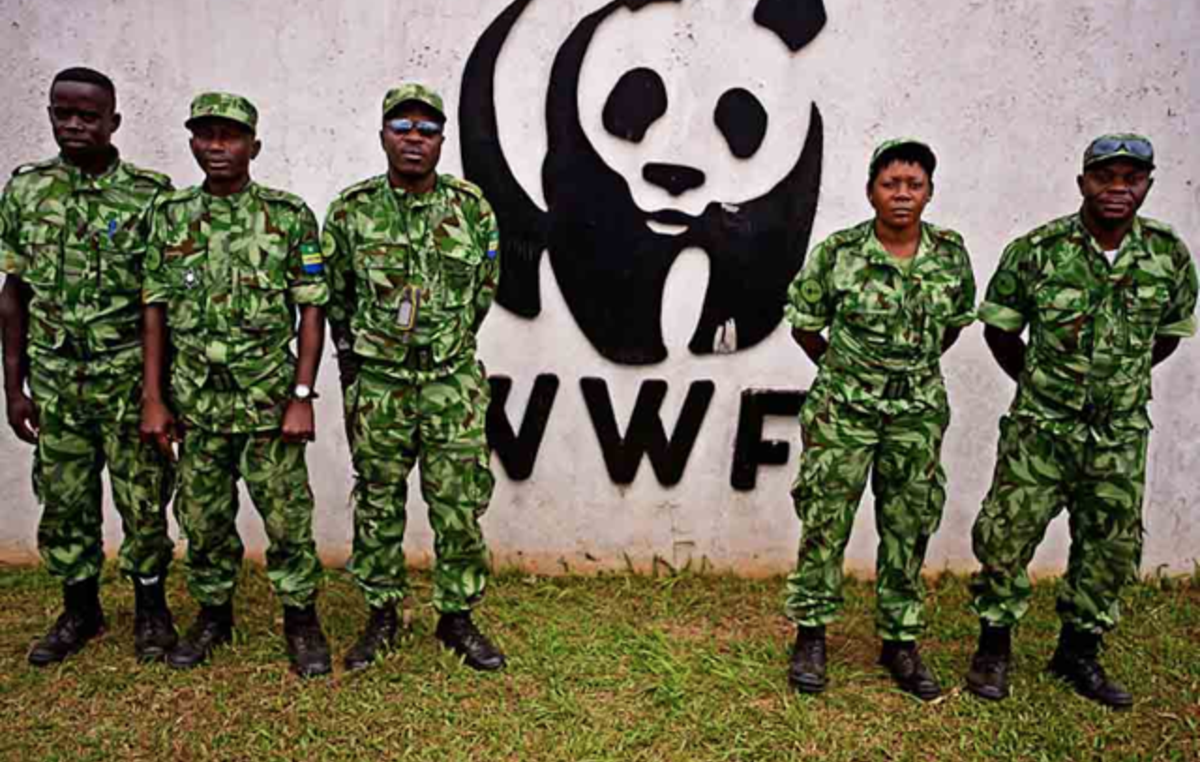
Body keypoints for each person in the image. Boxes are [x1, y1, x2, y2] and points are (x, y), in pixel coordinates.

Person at [966, 134, 1197, 709]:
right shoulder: (1039, 250)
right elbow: (1000, 329)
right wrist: (1045, 386)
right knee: (1006, 536)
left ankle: (1079, 652)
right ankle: (994, 648)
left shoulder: (1167, 255)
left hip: (1118, 435)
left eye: (1131, 178)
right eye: (1105, 177)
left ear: (1147, 184)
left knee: (1109, 545)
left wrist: (1114, 386)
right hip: (1041, 430)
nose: (1118, 189)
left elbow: (1167, 334)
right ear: (1082, 183)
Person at [140, 92, 332, 677]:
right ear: (193, 142)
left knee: (287, 521)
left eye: (230, 135)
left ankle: (301, 620)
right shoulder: (171, 215)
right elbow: (155, 307)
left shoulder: (288, 214)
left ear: (254, 145)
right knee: (202, 520)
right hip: (197, 404)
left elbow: (311, 308)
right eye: (206, 135)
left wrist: (302, 396)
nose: (216, 146)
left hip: (268, 403)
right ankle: (212, 615)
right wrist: (154, 397)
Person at [783, 139, 976, 700]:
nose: (902, 194)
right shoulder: (839, 252)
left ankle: (900, 641)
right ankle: (811, 634)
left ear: (929, 192)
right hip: (844, 410)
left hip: (915, 413)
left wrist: (905, 375)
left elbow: (955, 323)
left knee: (908, 523)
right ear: (871, 191)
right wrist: (849, 375)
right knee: (825, 519)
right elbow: (805, 323)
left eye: (914, 185)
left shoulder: (949, 253)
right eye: (891, 184)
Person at [323, 83, 505, 672]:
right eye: (402, 127)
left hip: (452, 383)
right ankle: (381, 615)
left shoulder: (471, 208)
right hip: (379, 387)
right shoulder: (352, 212)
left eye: (426, 130)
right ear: (382, 135)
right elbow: (337, 299)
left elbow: (484, 291)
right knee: (377, 501)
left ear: (441, 140)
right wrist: (358, 369)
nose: (414, 139)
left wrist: (443, 352)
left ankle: (457, 617)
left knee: (458, 503)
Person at [0, 67, 177, 665]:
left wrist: (159, 393)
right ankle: (79, 608)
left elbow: (160, 302)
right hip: (54, 380)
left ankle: (152, 609)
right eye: (62, 113)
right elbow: (13, 293)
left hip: (127, 375)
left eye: (87, 116)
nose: (73, 125)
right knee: (65, 499)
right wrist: (14, 387)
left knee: (144, 498)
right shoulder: (26, 191)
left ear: (113, 122)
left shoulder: (151, 195)